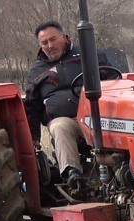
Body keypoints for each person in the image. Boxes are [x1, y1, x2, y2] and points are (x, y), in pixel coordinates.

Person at [24, 21, 89, 182]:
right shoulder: (37, 71)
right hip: (67, 122)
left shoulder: (87, 55)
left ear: (64, 37)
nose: (50, 45)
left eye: (53, 39)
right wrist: (34, 137)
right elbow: (32, 106)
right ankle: (73, 174)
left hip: (95, 115)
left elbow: (112, 80)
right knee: (60, 126)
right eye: (44, 42)